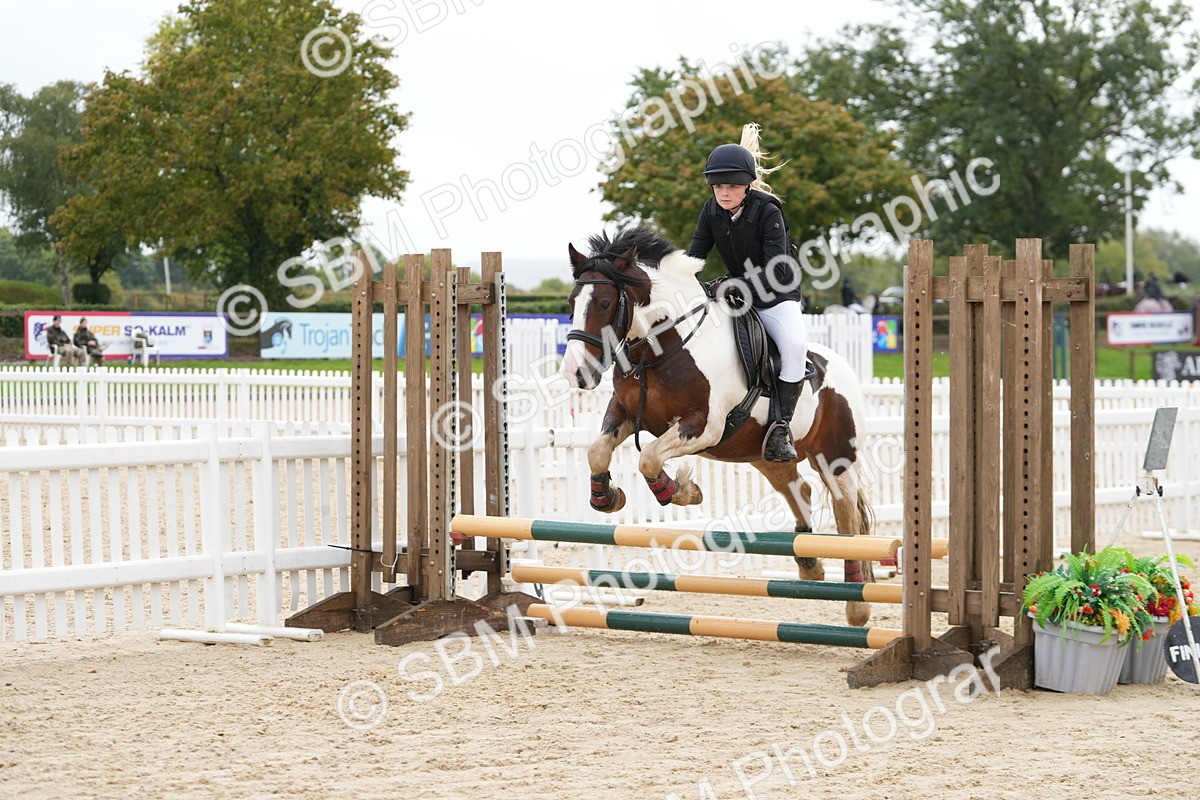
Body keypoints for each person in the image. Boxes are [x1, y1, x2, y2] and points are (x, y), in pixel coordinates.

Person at [687, 123, 807, 463]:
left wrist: (736, 285)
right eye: (718, 186)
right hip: (736, 295)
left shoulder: (768, 211)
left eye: (733, 186)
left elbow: (777, 269)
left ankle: (781, 427)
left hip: (775, 295)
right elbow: (694, 257)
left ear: (748, 185)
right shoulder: (710, 210)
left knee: (795, 346)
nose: (724, 193)